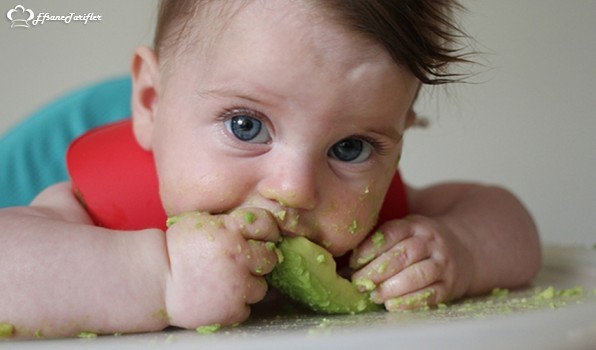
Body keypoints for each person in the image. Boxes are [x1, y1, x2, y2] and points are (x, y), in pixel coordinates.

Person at [0, 0, 541, 338]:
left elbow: (509, 223)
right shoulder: (100, 206)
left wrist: (460, 249)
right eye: (245, 126)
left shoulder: (376, 234)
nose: (296, 189)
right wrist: (159, 276)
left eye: (350, 148)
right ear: (149, 101)